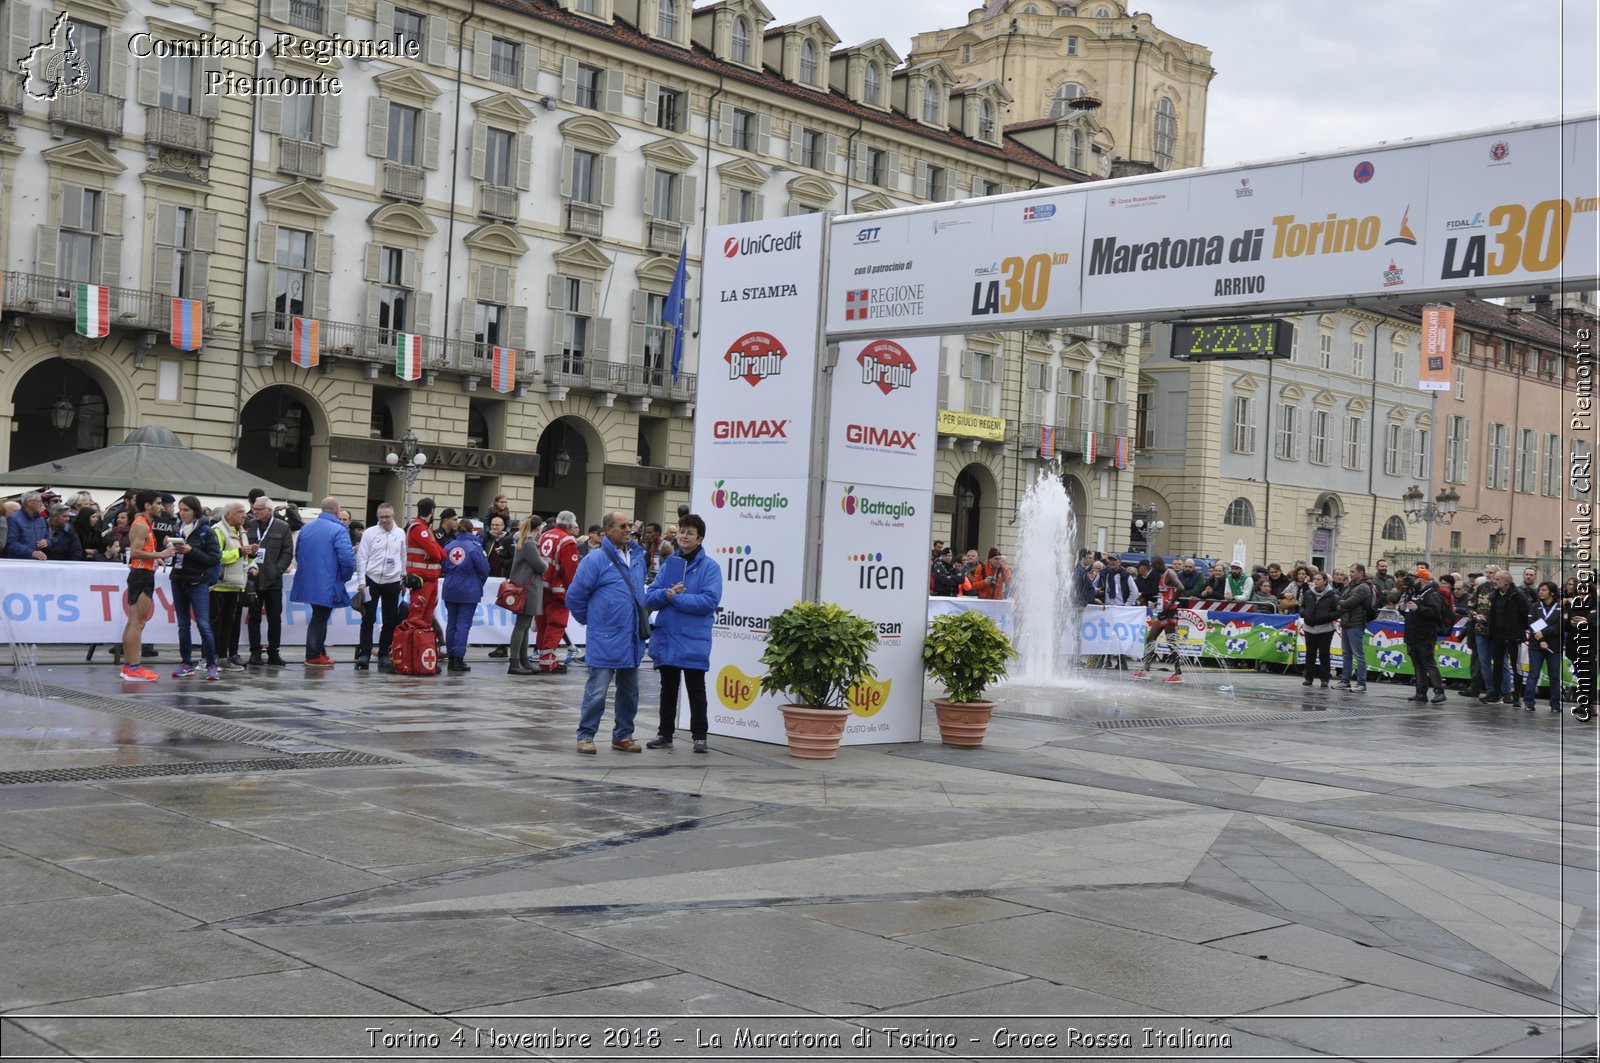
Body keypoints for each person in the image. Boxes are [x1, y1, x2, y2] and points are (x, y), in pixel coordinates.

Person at [566, 511, 649, 754]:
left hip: (631, 637)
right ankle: (586, 735)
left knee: (629, 692)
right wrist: (593, 621)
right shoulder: (595, 560)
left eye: (629, 526)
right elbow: (575, 597)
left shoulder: (637, 558)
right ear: (607, 531)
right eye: (622, 526)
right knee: (597, 691)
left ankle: (623, 735)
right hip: (604, 638)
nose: (628, 530)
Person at [644, 512, 723, 752]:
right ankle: (664, 733)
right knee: (668, 689)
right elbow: (651, 596)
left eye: (690, 533)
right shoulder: (671, 563)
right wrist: (666, 595)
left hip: (692, 638)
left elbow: (708, 602)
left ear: (700, 539)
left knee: (696, 689)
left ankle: (700, 736)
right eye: (681, 532)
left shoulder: (710, 567)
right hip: (668, 636)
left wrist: (676, 599)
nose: (684, 536)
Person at [288, 497, 356, 667]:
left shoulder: (306, 528)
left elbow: (298, 554)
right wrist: (345, 577)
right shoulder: (339, 530)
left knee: (320, 615)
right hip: (328, 581)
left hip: (308, 580)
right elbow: (347, 559)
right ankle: (313, 654)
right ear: (337, 510)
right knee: (320, 617)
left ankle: (319, 651)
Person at [118, 491, 172, 682]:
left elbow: (141, 551)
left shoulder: (143, 524)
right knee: (138, 622)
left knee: (133, 621)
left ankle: (129, 666)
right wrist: (160, 555)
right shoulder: (141, 525)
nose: (162, 507)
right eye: (158, 503)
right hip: (141, 575)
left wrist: (157, 558)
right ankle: (133, 667)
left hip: (141, 574)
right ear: (147, 506)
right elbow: (135, 552)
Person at [168, 495, 221, 681]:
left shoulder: (206, 531)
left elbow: (214, 559)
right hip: (178, 579)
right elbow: (172, 557)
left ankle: (211, 663)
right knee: (183, 625)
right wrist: (168, 551)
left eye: (186, 510)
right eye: (180, 509)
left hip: (198, 581)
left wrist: (192, 551)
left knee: (203, 624)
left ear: (195, 511)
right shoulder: (177, 529)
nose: (182, 513)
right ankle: (186, 662)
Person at [354, 503, 406, 672]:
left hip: (392, 581)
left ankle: (384, 653)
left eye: (387, 517)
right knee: (368, 618)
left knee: (390, 620)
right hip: (372, 580)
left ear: (393, 516)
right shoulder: (370, 533)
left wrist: (403, 579)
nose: (384, 520)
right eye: (381, 517)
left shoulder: (400, 533)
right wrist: (361, 581)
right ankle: (365, 653)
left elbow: (403, 557)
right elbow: (361, 557)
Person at [246, 496, 295, 667]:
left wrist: (277, 570)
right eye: (254, 509)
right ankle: (255, 652)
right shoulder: (249, 525)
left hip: (273, 580)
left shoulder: (282, 527)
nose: (255, 511)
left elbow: (288, 551)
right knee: (254, 617)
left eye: (259, 509)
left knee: (275, 618)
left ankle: (274, 651)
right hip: (253, 578)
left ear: (269, 510)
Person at [537, 511, 582, 673]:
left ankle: (543, 658)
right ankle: (548, 661)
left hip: (541, 586)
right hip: (558, 591)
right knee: (556, 625)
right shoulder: (568, 541)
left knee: (542, 624)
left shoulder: (545, 535)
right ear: (570, 524)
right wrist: (573, 592)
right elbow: (570, 571)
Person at [442, 523, 489, 673]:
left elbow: (443, 565)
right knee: (463, 625)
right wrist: (477, 583)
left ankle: (451, 658)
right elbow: (484, 569)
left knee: (452, 623)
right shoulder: (475, 546)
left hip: (450, 588)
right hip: (468, 591)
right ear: (471, 530)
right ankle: (458, 659)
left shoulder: (449, 546)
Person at [505, 515, 548, 675]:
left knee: (524, 626)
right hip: (528, 589)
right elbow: (541, 566)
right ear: (539, 528)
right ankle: (515, 662)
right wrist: (545, 562)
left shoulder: (525, 542)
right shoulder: (530, 544)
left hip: (525, 588)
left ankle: (523, 661)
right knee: (522, 626)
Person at [210, 501, 250, 669]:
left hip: (235, 584)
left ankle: (223, 658)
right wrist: (240, 552)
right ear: (228, 515)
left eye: (244, 512)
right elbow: (216, 556)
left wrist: (252, 561)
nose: (244, 515)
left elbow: (244, 558)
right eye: (240, 512)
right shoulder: (218, 530)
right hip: (220, 585)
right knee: (217, 625)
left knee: (228, 624)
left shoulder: (241, 532)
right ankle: (211, 657)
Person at [1481, 570, 1530, 706]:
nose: (1494, 581)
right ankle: (1496, 693)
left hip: (1513, 636)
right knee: (1497, 665)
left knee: (1516, 666)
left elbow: (1526, 615)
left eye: (1497, 579)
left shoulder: (1518, 596)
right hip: (1497, 635)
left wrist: (1520, 631)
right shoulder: (1495, 595)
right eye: (1494, 579)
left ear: (1506, 582)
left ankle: (1516, 697)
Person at [1131, 557, 1184, 683]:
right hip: (1162, 613)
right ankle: (1146, 669)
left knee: (1171, 642)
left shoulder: (1170, 573)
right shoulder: (1161, 575)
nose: (1154, 570)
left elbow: (1181, 588)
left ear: (1160, 564)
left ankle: (1178, 673)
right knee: (1150, 638)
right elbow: (1164, 593)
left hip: (1170, 613)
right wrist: (1157, 604)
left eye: (1155, 567)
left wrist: (1170, 603)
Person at [1400, 569, 1448, 704]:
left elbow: (1435, 612)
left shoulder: (1432, 595)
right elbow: (1411, 613)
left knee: (1428, 664)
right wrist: (1403, 610)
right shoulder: (1414, 593)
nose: (1412, 582)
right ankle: (1420, 693)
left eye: (1415, 579)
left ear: (1422, 580)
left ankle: (1439, 691)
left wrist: (1418, 608)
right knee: (1417, 665)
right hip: (1412, 634)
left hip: (1425, 635)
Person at [403, 498, 446, 634]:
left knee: (427, 619)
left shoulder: (425, 529)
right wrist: (433, 554)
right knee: (416, 617)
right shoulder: (419, 528)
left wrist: (434, 553)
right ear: (432, 511)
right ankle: (411, 647)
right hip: (422, 578)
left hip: (430, 579)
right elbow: (437, 555)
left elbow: (442, 555)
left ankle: (422, 648)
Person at [1522, 581, 1563, 713]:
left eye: (1544, 590)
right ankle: (1529, 702)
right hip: (1536, 645)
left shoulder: (1560, 608)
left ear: (1551, 592)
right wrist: (1541, 639)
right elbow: (1532, 623)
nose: (1540, 592)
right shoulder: (1534, 607)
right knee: (1533, 674)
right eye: (1539, 589)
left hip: (1554, 646)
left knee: (1554, 676)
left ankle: (1555, 704)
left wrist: (1544, 634)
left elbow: (1559, 626)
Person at [1336, 563, 1376, 693]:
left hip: (1356, 623)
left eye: (1353, 571)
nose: (1351, 574)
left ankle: (1361, 683)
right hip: (1346, 622)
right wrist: (1342, 604)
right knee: (1346, 653)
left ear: (1361, 573)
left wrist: (1340, 603)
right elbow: (1343, 601)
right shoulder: (1350, 586)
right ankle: (1345, 680)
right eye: (1351, 571)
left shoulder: (1363, 587)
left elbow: (1348, 602)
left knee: (1359, 654)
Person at [1298, 570, 1340, 689]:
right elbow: (1302, 606)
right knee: (1310, 653)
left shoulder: (1333, 595)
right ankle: (1308, 677)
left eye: (1318, 579)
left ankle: (1324, 679)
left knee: (1324, 654)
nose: (1315, 581)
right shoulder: (1308, 593)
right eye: (1314, 579)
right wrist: (1304, 613)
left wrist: (1326, 617)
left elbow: (1338, 611)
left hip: (1325, 628)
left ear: (1325, 581)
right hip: (1309, 627)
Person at [5, 492, 50, 559]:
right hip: (18, 563)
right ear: (29, 502)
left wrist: (47, 542)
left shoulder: (41, 520)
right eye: (39, 501)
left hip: (37, 562)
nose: (42, 504)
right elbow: (10, 543)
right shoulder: (13, 519)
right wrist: (31, 553)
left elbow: (48, 537)